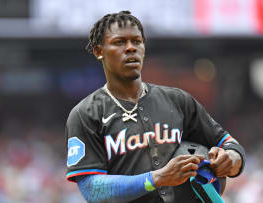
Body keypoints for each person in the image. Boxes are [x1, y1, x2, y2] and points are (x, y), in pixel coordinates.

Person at [65, 11, 245, 203]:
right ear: (99, 51)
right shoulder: (85, 114)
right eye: (119, 42)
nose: (130, 48)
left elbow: (229, 144)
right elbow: (92, 189)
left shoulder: (178, 100)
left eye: (137, 41)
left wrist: (229, 161)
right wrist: (156, 178)